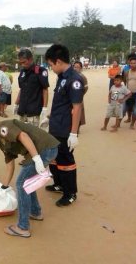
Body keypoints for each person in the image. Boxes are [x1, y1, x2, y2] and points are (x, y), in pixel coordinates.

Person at [0, 119, 59, 238]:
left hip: (44, 149)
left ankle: (23, 227)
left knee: (21, 184)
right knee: (27, 182)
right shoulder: (0, 142)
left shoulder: (0, 128)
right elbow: (10, 165)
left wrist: (36, 158)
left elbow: (22, 135)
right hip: (41, 151)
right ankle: (35, 212)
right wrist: (4, 186)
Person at [45, 44, 84, 207]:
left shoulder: (74, 79)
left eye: (51, 64)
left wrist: (73, 133)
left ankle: (70, 193)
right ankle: (59, 184)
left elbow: (77, 107)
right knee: (54, 157)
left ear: (59, 61)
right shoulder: (62, 77)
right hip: (56, 125)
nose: (51, 68)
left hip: (65, 128)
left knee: (66, 160)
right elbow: (61, 102)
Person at [13, 48, 49, 129]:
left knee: (33, 136)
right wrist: (16, 104)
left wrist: (44, 108)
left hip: (33, 110)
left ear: (31, 59)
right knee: (21, 133)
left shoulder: (40, 71)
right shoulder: (22, 72)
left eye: (24, 62)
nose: (22, 65)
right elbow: (21, 89)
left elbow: (45, 89)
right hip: (22, 109)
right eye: (20, 63)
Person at [73, 61, 88, 131]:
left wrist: (80, 94)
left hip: (79, 98)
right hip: (70, 98)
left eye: (77, 67)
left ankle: (77, 129)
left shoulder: (83, 77)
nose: (75, 68)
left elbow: (86, 88)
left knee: (79, 114)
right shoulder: (70, 76)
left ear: (81, 68)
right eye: (74, 67)